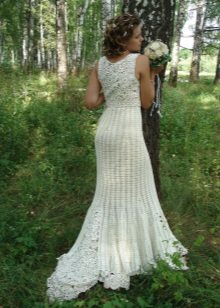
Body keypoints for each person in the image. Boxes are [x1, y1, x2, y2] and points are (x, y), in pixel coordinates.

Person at [46, 13, 189, 303]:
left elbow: (89, 103)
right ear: (124, 38)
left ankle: (109, 244)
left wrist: (108, 94)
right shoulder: (141, 62)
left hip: (105, 133)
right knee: (137, 189)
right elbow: (146, 102)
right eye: (137, 35)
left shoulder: (98, 64)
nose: (141, 39)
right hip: (126, 132)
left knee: (109, 192)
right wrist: (151, 75)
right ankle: (131, 248)